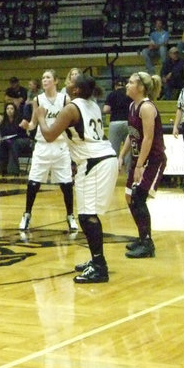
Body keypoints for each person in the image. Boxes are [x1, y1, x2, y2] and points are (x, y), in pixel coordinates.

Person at [34, 74, 118, 283]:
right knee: (86, 215)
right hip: (95, 159)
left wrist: (41, 116)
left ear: (77, 90)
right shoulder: (92, 105)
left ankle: (100, 267)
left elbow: (49, 135)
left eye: (71, 83)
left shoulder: (71, 108)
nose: (67, 84)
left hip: (95, 160)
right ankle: (95, 260)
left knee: (88, 216)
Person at [18, 69, 77, 233]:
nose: (44, 80)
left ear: (56, 81)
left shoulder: (65, 99)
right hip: (42, 145)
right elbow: (33, 124)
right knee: (33, 182)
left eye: (48, 77)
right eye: (43, 77)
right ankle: (27, 214)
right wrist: (26, 126)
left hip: (60, 145)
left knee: (66, 183)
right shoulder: (37, 99)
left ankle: (70, 216)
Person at [118, 72, 167, 260]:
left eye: (130, 82)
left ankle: (148, 244)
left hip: (152, 160)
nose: (127, 85)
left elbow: (148, 138)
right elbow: (133, 135)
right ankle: (141, 237)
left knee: (138, 197)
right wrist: (122, 155)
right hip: (139, 159)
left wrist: (139, 165)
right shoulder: (132, 106)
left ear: (140, 87)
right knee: (129, 197)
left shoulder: (146, 107)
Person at [103, 78, 132, 169]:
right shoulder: (130, 94)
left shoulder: (112, 94)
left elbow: (105, 109)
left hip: (115, 122)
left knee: (113, 150)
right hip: (128, 122)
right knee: (128, 149)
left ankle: (114, 172)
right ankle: (128, 173)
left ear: (115, 86)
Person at [0, 102, 29, 176]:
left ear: (15, 110)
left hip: (21, 140)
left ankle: (13, 170)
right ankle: (0, 169)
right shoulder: (3, 121)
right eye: (7, 108)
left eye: (11, 108)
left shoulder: (20, 119)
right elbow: (3, 134)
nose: (9, 110)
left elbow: (22, 133)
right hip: (9, 140)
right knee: (1, 145)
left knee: (14, 144)